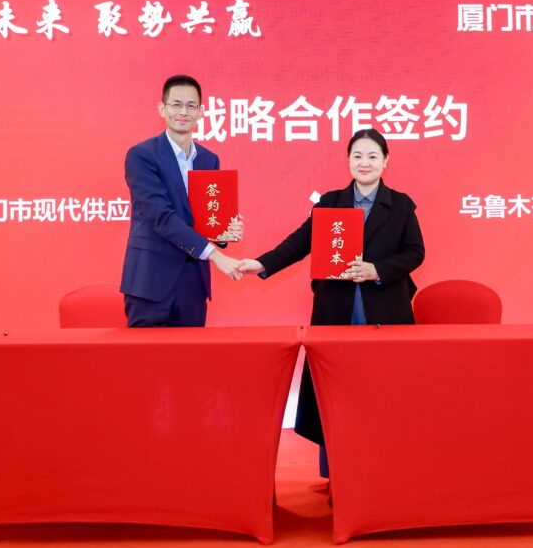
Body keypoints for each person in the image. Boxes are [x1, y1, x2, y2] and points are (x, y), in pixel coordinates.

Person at [238, 128, 424, 477]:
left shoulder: (401, 205)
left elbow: (415, 252)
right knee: (334, 395)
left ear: (385, 161)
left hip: (385, 312)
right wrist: (262, 263)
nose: (365, 163)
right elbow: (299, 243)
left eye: (372, 156)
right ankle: (337, 475)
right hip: (336, 310)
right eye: (357, 156)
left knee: (383, 391)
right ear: (348, 160)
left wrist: (377, 270)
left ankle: (384, 471)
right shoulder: (330, 202)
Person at [120, 74, 244, 327]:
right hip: (150, 280)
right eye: (176, 104)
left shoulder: (209, 159)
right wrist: (216, 256)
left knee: (192, 353)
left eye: (191, 105)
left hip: (193, 282)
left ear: (200, 112)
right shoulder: (141, 156)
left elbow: (205, 216)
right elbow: (161, 217)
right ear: (162, 109)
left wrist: (225, 231)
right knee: (145, 352)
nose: (183, 112)